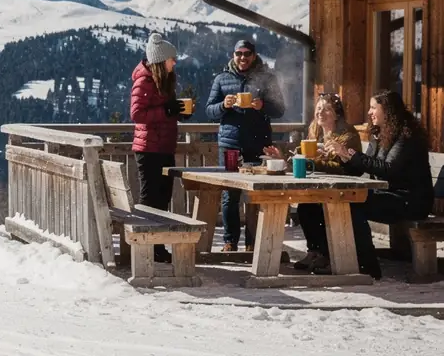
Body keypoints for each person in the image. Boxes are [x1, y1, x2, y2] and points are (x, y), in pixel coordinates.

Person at [322, 90, 433, 279]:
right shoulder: (379, 134)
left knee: (353, 206)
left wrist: (351, 154)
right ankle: (330, 257)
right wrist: (344, 158)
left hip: (412, 200)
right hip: (393, 196)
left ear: (387, 111)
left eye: (374, 107)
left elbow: (389, 169)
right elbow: (361, 168)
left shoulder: (406, 135)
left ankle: (367, 266)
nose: (369, 113)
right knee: (333, 202)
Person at [264, 92, 363, 271]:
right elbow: (304, 159)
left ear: (337, 114)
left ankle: (327, 255)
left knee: (320, 208)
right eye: (318, 109)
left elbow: (342, 168)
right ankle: (314, 252)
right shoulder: (315, 131)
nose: (320, 113)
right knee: (305, 207)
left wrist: (311, 162)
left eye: (326, 109)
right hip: (321, 185)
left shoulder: (348, 136)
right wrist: (283, 159)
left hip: (344, 187)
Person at [205, 38, 286, 251]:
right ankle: (230, 241)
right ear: (233, 55)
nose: (242, 58)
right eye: (238, 53)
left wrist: (263, 106)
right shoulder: (222, 79)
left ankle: (253, 243)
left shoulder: (267, 78)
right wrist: (224, 105)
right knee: (229, 194)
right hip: (230, 145)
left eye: (247, 54)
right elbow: (209, 111)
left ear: (254, 55)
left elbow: (279, 109)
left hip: (258, 145)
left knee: (256, 194)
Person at [130, 32, 189, 262]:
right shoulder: (144, 81)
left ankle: (157, 245)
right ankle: (147, 246)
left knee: (162, 197)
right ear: (160, 60)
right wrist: (166, 111)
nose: (174, 62)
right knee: (150, 197)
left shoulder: (163, 81)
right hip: (149, 149)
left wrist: (177, 113)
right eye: (171, 59)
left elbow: (162, 113)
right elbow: (137, 114)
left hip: (163, 147)